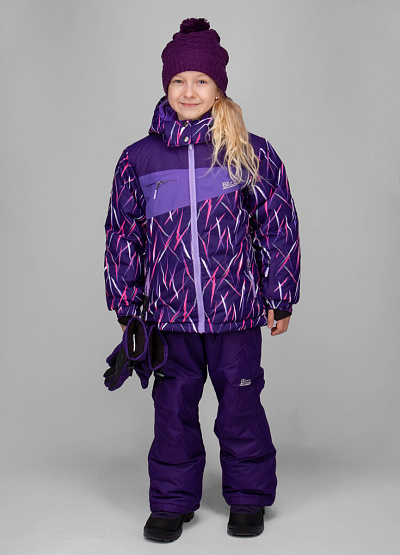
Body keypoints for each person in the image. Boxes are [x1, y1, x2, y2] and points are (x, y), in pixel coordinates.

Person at [104, 17, 300, 542]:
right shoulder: (138, 159)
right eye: (178, 80)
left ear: (218, 89)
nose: (188, 91)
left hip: (236, 313)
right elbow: (123, 233)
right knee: (172, 413)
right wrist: (126, 304)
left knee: (240, 407)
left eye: (201, 81)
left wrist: (280, 295)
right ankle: (171, 502)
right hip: (170, 317)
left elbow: (277, 225)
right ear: (165, 85)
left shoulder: (250, 151)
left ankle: (248, 498)